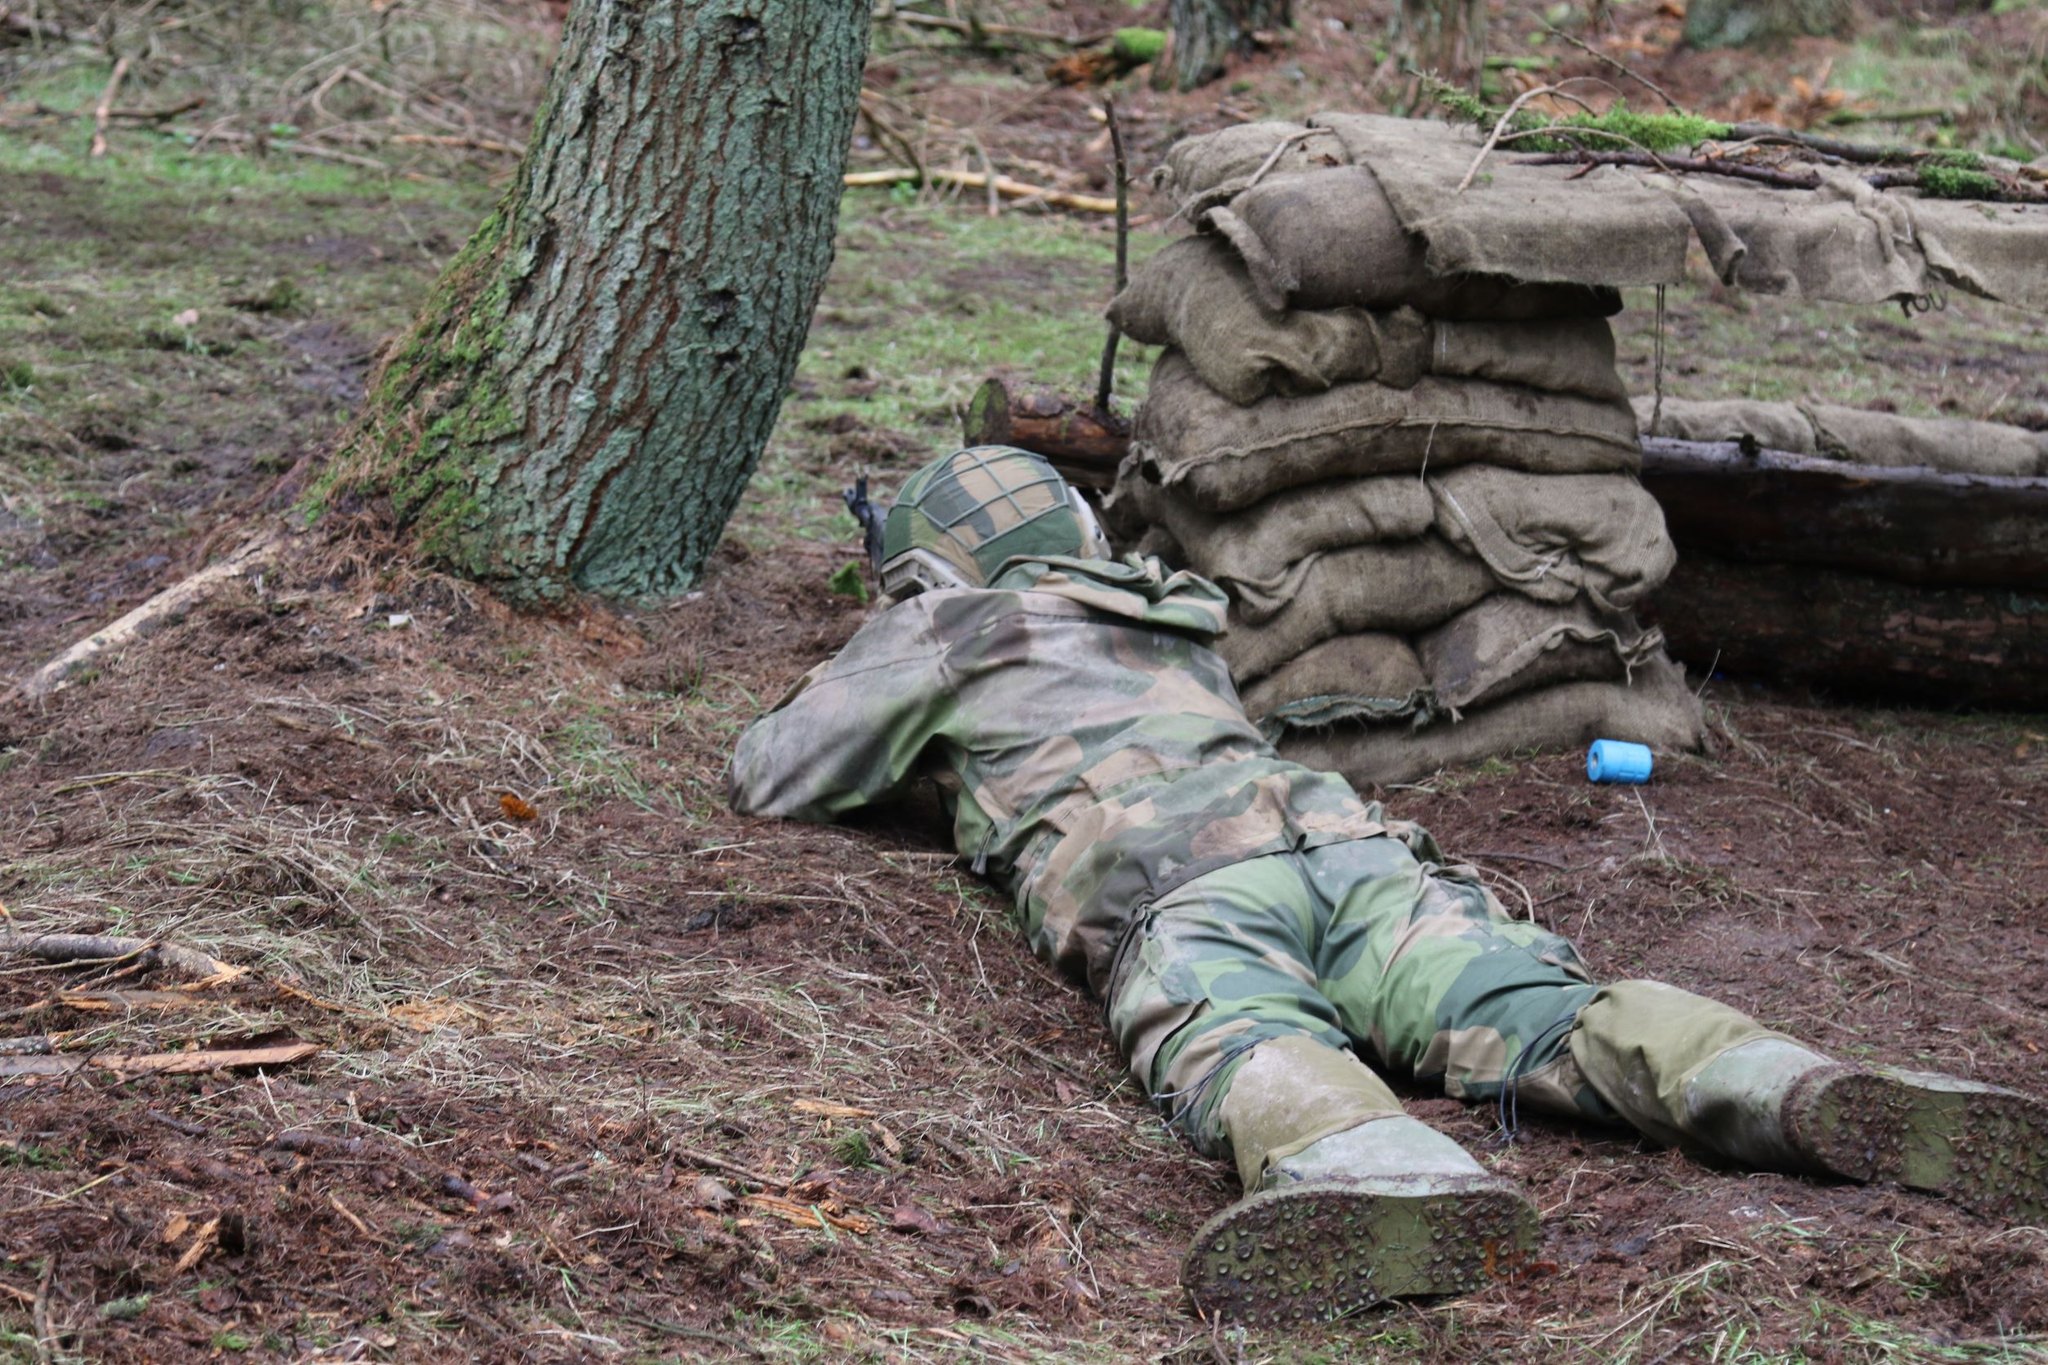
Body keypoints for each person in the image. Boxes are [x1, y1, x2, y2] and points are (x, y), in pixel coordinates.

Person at [728, 445, 2048, 1328]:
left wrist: (898, 644)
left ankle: (1376, 1167)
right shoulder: (1172, 612)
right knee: (1540, 1008)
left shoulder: (951, 626)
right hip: (1349, 850)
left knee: (1240, 1030)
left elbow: (775, 773)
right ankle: (1788, 1084)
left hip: (1183, 887)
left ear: (932, 560)